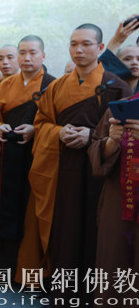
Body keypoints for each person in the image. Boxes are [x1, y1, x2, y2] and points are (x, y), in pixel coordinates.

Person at [29, 24, 132, 305]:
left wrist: (92, 136)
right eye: (74, 44)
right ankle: (64, 293)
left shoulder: (116, 86)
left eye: (86, 44)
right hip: (64, 169)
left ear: (100, 48)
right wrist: (58, 132)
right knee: (66, 230)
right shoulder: (57, 87)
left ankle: (93, 295)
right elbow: (41, 123)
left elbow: (127, 133)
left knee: (95, 232)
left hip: (100, 173)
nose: (79, 50)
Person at [0, 35, 55, 278]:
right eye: (22, 52)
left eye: (32, 52)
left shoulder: (53, 85)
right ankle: (2, 267)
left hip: (35, 159)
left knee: (30, 213)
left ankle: (27, 271)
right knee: (3, 209)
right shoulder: (3, 86)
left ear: (43, 56)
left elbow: (58, 124)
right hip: (6, 158)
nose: (27, 58)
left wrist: (36, 130)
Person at [88, 44, 139, 302]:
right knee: (114, 265)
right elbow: (97, 152)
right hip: (119, 200)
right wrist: (112, 141)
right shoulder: (120, 108)